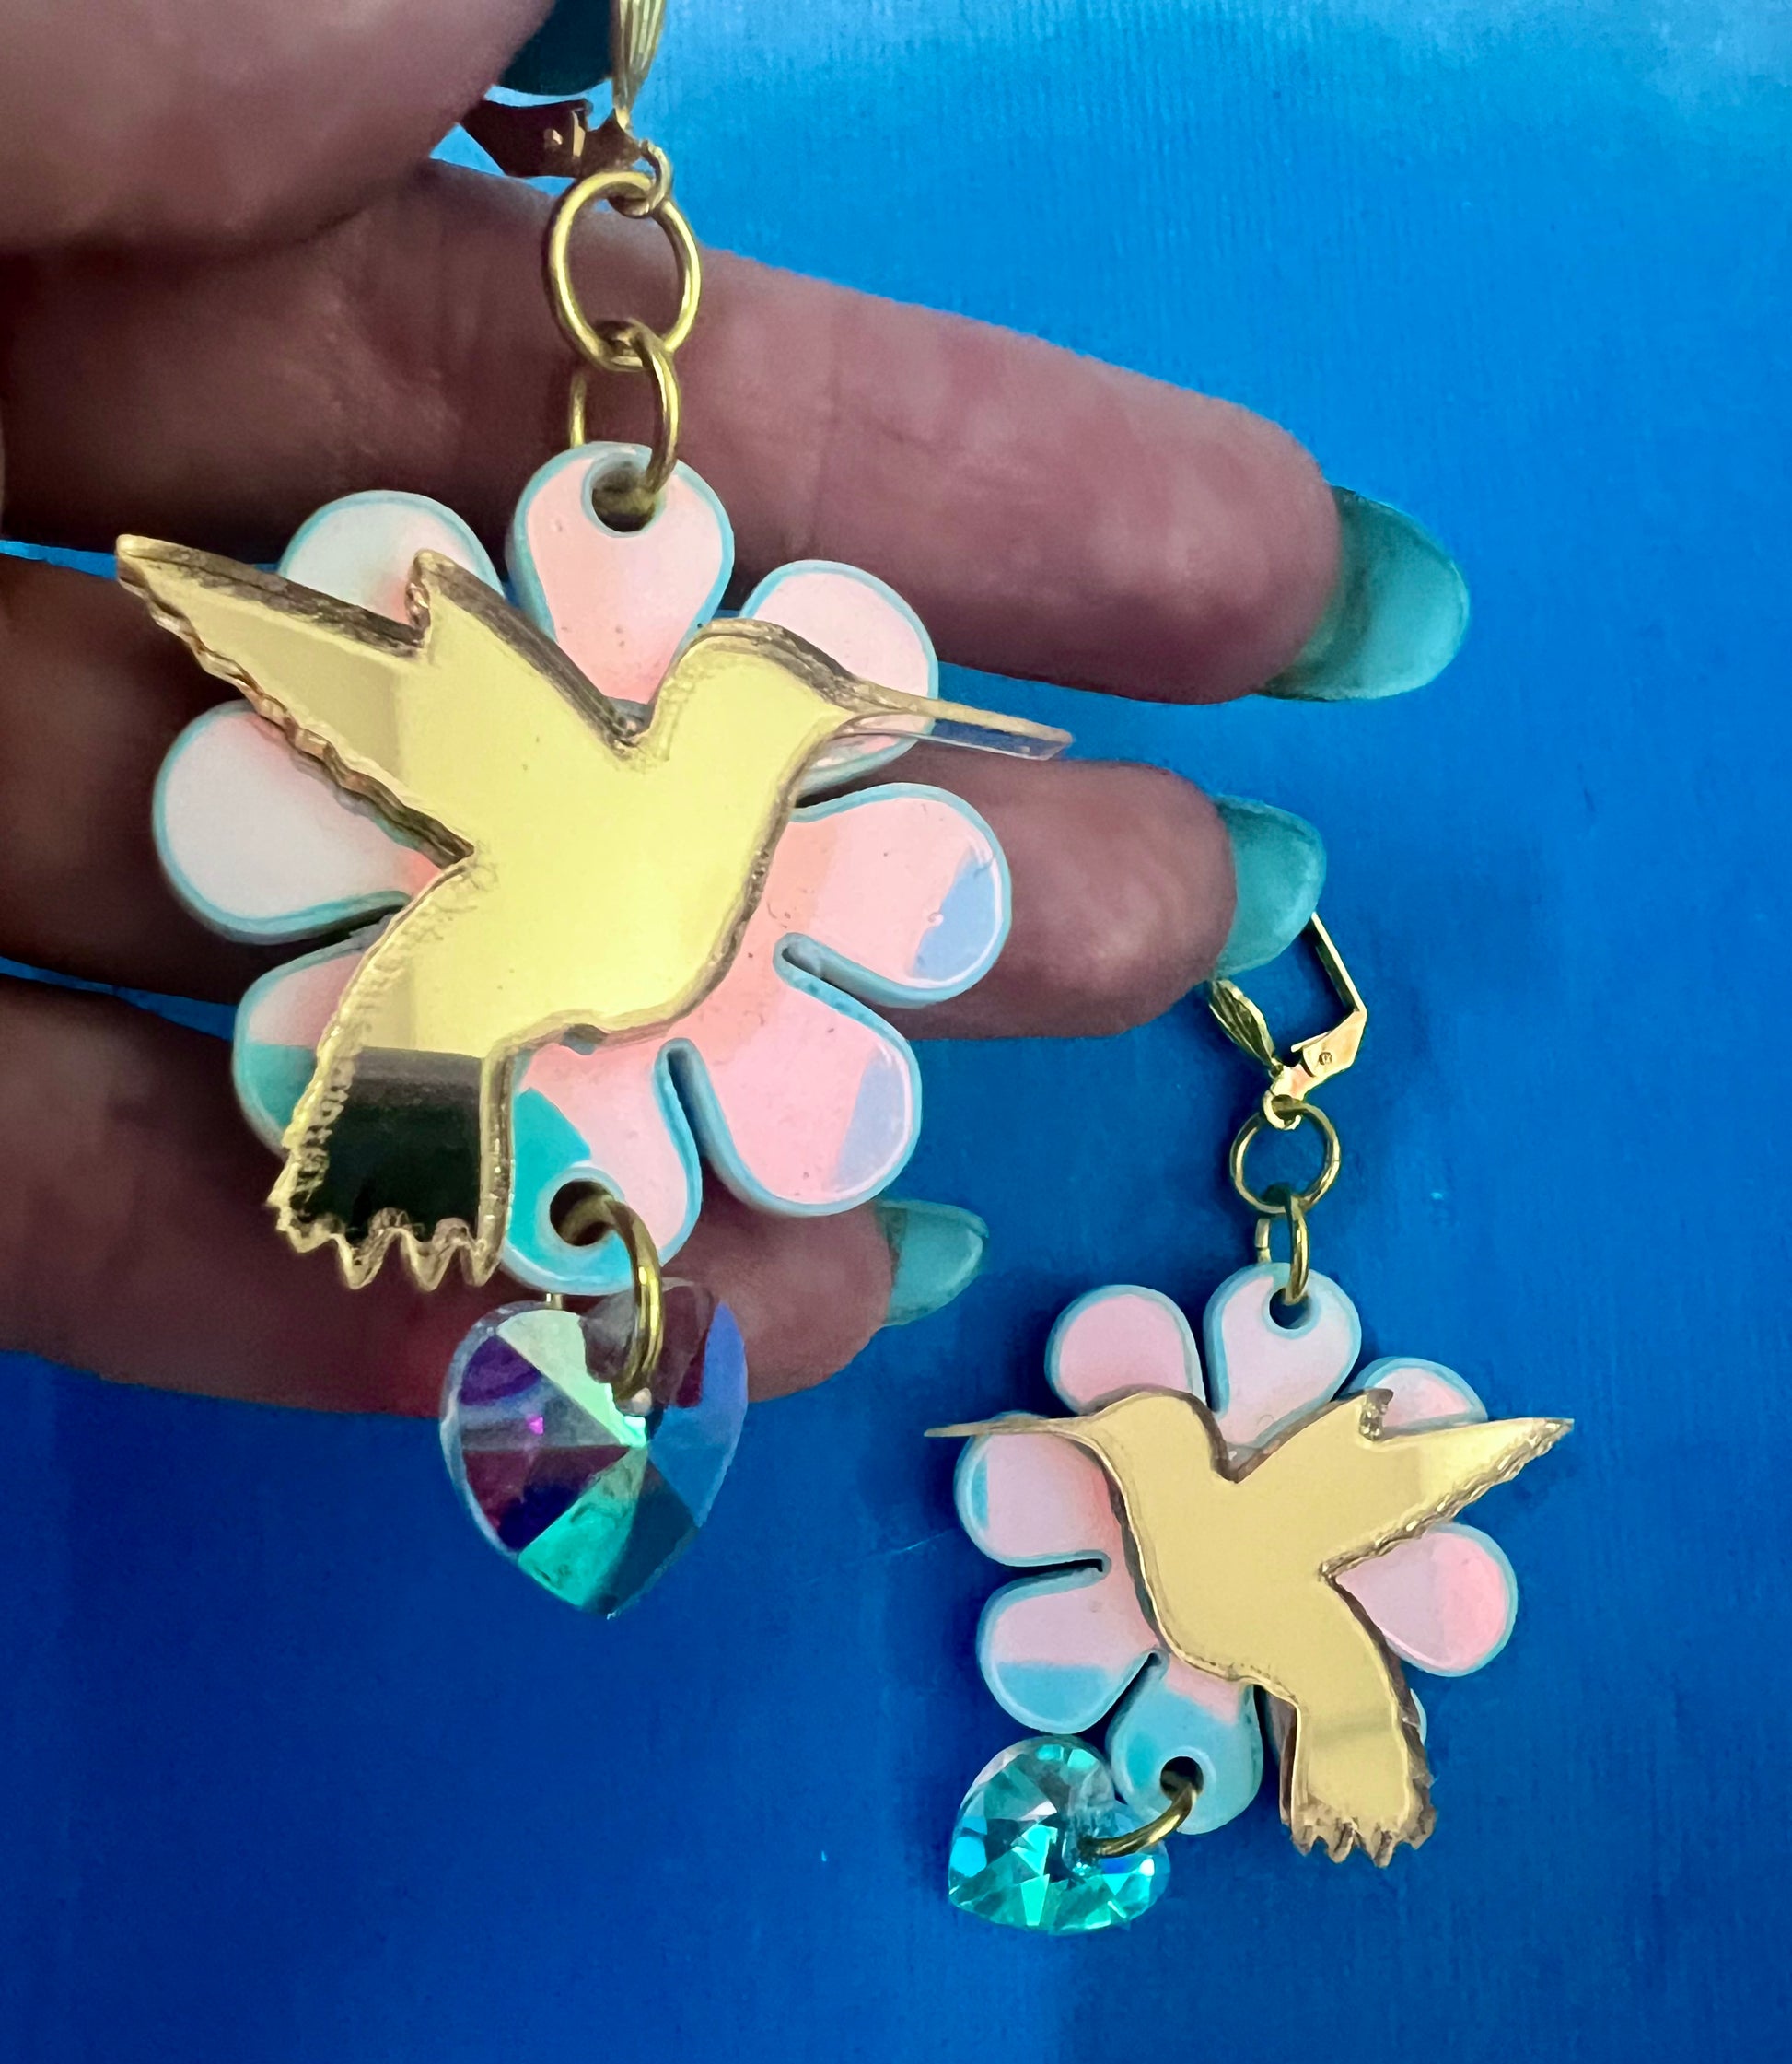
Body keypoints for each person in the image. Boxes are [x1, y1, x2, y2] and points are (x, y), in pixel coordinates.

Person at [0, 0, 1363, 1412]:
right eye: (815, 698)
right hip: (450, 998)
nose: (836, 717)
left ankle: (393, 1160)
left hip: (498, 1007)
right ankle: (388, 1152)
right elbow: (376, 677)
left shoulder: (702, 827)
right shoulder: (577, 758)